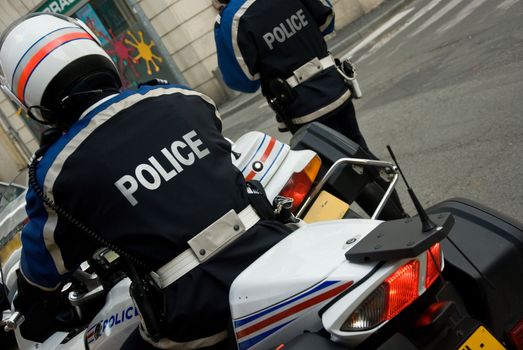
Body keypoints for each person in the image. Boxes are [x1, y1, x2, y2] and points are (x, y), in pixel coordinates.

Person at [0, 13, 291, 349]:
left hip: (196, 306)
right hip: (273, 247)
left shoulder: (55, 173)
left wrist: (27, 301)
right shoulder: (182, 97)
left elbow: (42, 272)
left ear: (32, 101)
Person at [213, 0, 371, 152]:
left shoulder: (231, 19)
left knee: (333, 168)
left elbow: (242, 81)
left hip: (300, 106)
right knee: (359, 149)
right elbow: (326, 21)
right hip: (334, 85)